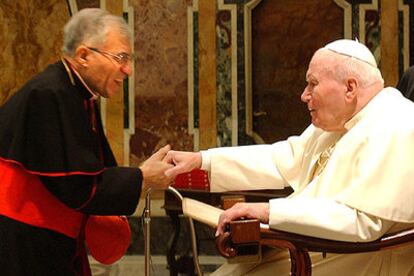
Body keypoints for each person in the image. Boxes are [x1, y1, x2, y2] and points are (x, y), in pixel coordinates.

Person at [165, 39, 414, 275]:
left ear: (350, 88)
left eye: (313, 84)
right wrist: (201, 161)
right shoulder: (343, 119)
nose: (304, 95)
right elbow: (282, 159)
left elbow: (363, 222)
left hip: (362, 259)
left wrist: (266, 212)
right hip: (318, 246)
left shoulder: (396, 124)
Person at [0, 8, 174, 276]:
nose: (127, 70)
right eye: (120, 58)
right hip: (26, 243)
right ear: (83, 56)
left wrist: (139, 177)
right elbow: (76, 186)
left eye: (129, 59)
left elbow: (89, 170)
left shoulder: (76, 92)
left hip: (50, 238)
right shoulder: (48, 94)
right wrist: (142, 178)